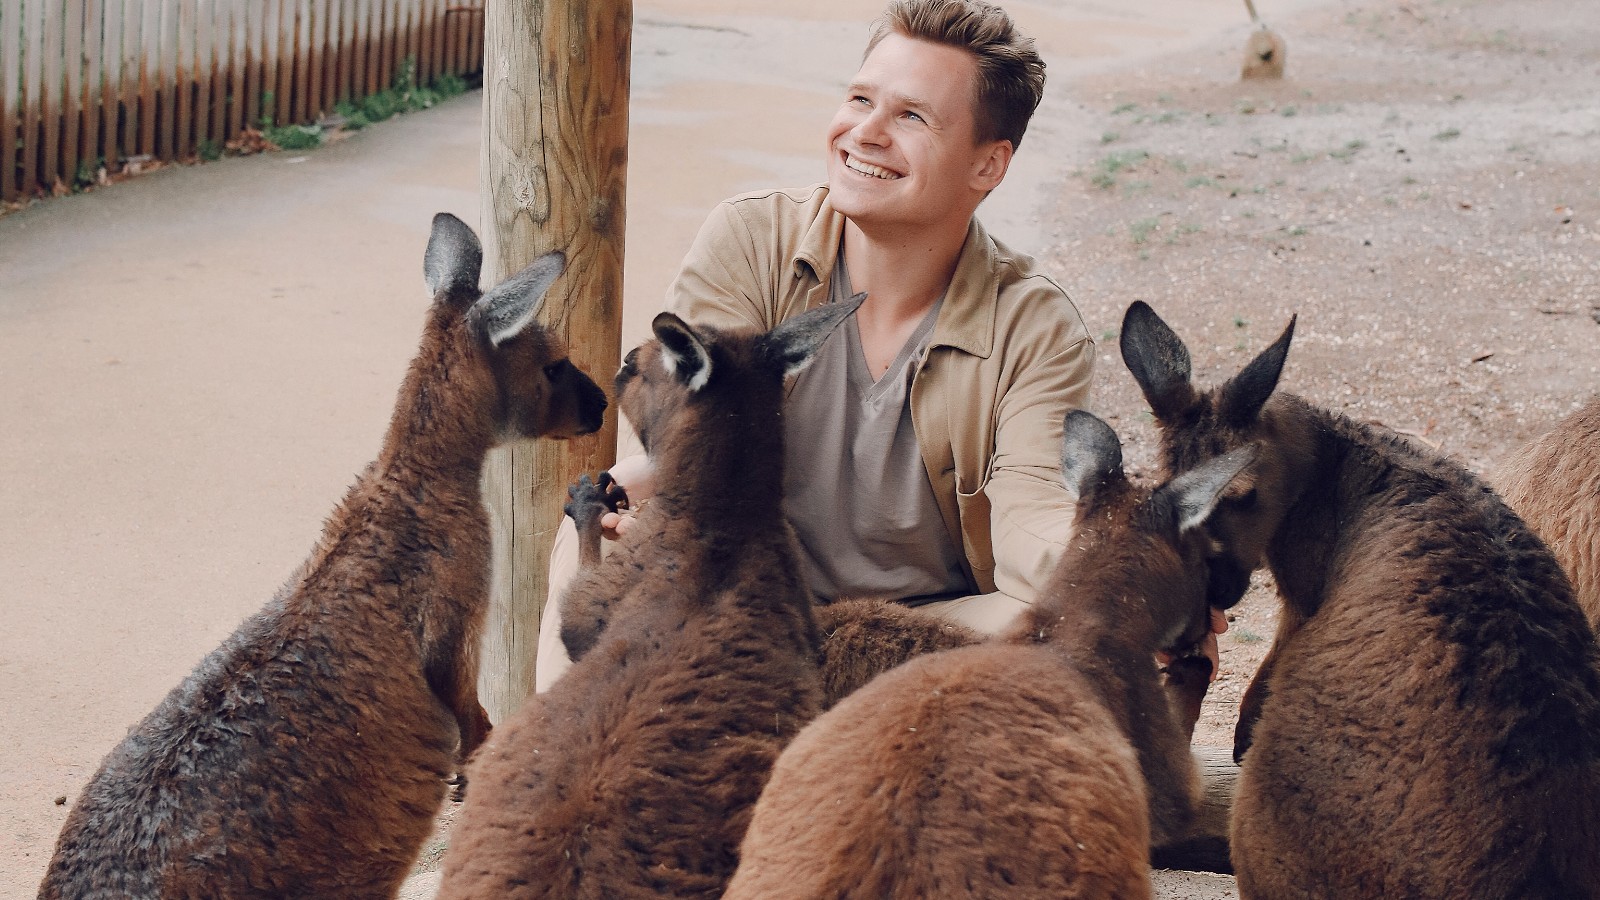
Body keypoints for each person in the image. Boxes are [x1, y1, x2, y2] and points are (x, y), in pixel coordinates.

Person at [535, 0, 1220, 692]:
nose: (864, 133)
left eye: (910, 117)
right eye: (860, 99)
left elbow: (1030, 532)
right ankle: (553, 785)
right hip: (748, 601)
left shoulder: (1036, 327)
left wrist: (1148, 579)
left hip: (921, 638)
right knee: (590, 535)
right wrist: (651, 478)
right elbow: (697, 429)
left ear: (988, 165)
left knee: (1084, 626)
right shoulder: (750, 240)